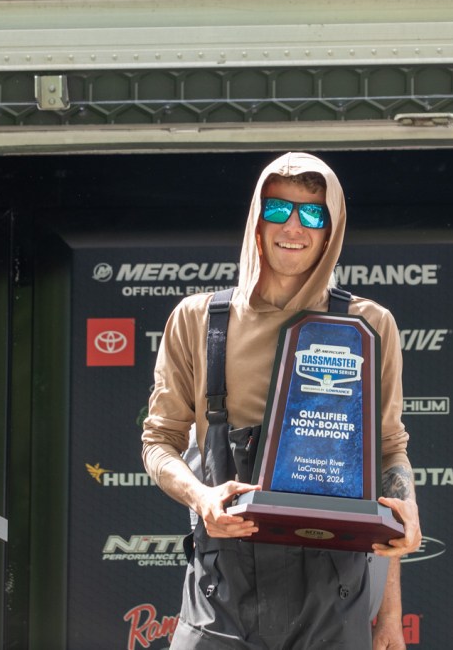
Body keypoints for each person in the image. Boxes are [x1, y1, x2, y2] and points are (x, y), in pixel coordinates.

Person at [141, 152, 422, 649]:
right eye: (278, 209)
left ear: (331, 229)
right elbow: (158, 441)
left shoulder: (369, 325)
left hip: (333, 598)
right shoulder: (198, 319)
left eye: (312, 213)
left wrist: (390, 613)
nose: (293, 226)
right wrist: (202, 497)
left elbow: (387, 452)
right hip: (221, 591)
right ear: (257, 218)